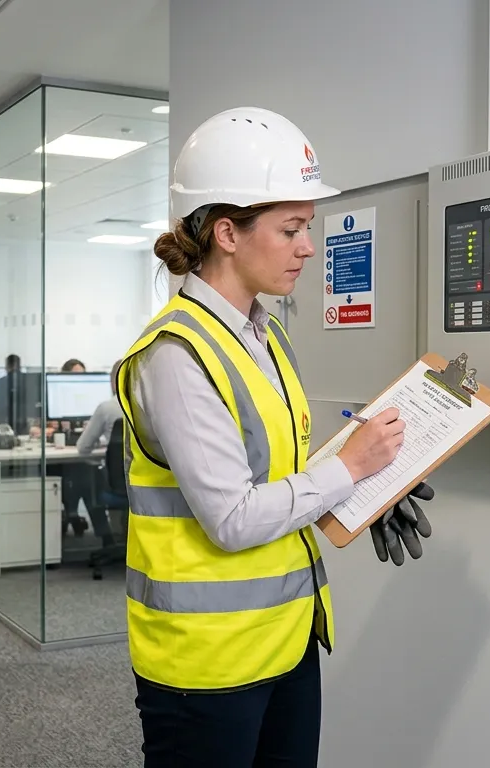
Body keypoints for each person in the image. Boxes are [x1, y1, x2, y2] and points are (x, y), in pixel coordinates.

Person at [113, 106, 437, 767]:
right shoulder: (176, 358)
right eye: (291, 229)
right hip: (205, 666)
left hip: (285, 640)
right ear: (227, 233)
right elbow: (231, 518)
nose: (308, 247)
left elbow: (274, 473)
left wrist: (367, 485)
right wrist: (345, 471)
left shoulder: (265, 333)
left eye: (307, 229)